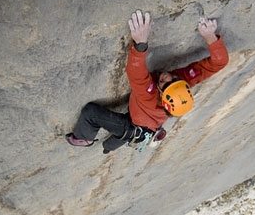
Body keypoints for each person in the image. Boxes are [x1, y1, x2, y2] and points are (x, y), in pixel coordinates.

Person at [66, 10, 229, 153]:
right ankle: (112, 144)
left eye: (166, 83)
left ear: (163, 96)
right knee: (111, 143)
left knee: (91, 115)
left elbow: (135, 72)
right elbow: (219, 63)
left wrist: (140, 43)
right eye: (175, 80)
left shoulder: (148, 96)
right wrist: (210, 37)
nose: (168, 76)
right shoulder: (180, 84)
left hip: (134, 127)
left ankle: (84, 139)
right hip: (144, 122)